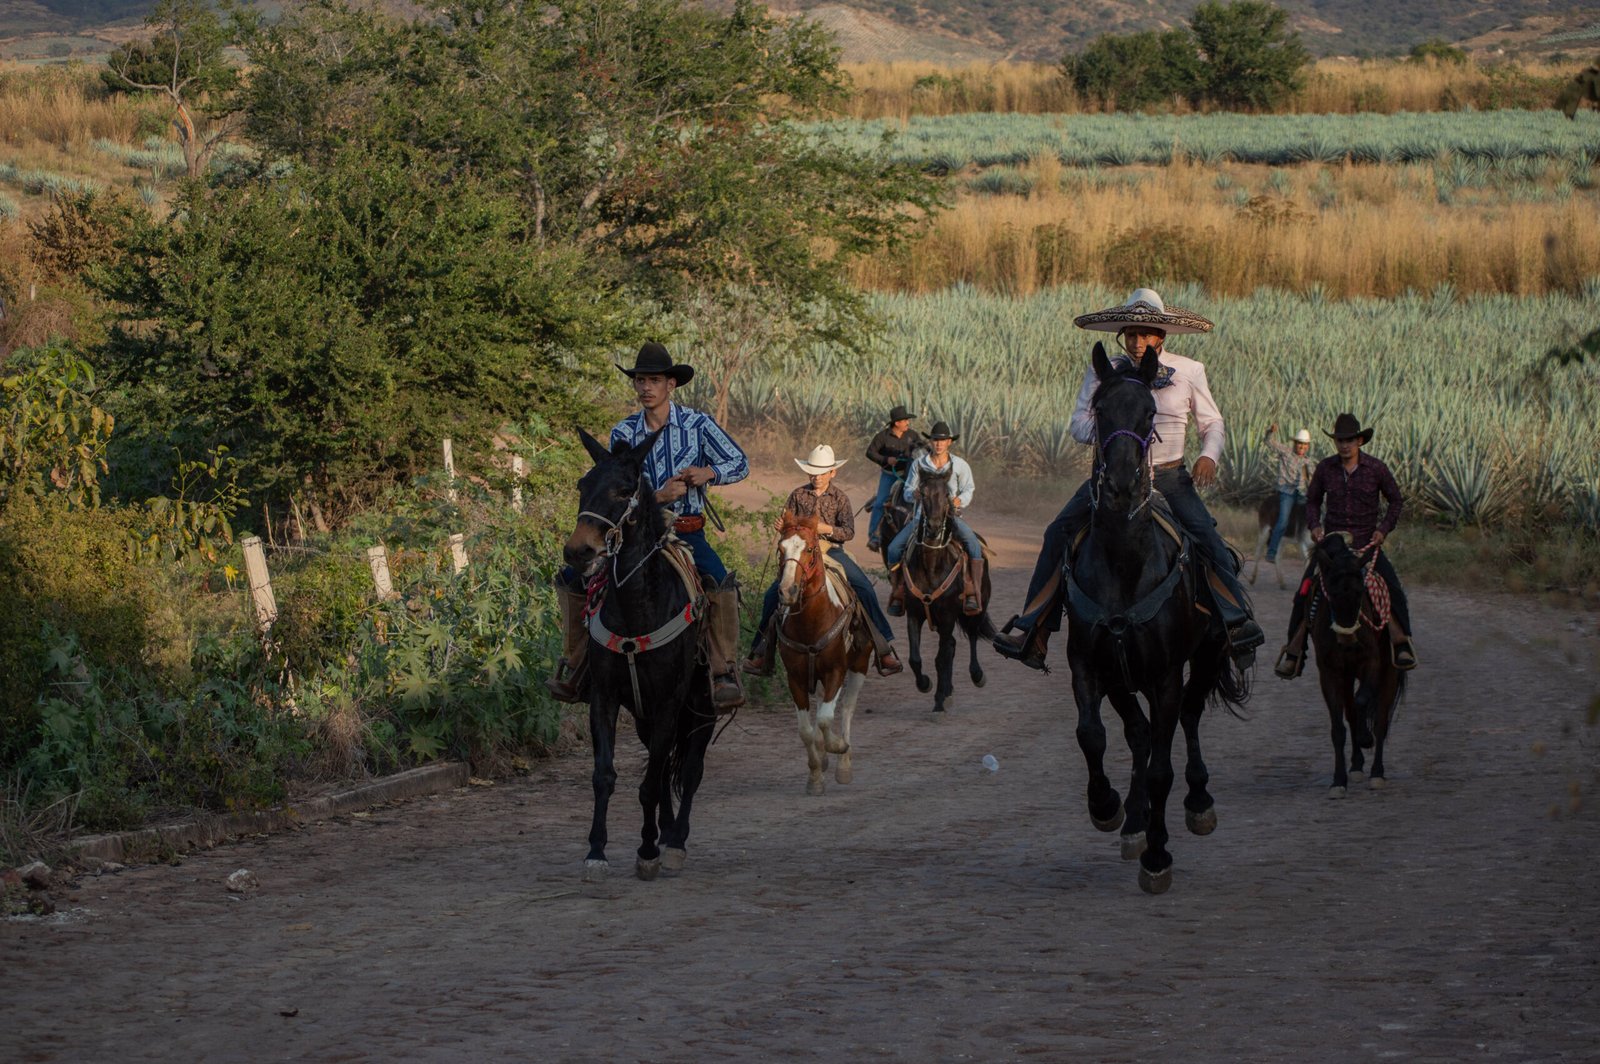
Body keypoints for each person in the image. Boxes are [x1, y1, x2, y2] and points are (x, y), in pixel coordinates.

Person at [992, 287, 1266, 670]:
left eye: (1145, 334)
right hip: (1111, 477)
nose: (1138, 342)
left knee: (1207, 537)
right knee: (1057, 532)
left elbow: (1212, 422)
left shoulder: (1189, 371)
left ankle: (1236, 623)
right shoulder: (1105, 371)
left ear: (1161, 336)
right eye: (1131, 334)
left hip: (1170, 476)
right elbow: (1078, 424)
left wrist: (1209, 455)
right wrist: (1116, 434)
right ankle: (1034, 628)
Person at [545, 341, 750, 711]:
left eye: (653, 380)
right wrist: (657, 497)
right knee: (574, 578)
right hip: (633, 535)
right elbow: (613, 491)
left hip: (686, 531)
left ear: (671, 384)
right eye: (639, 380)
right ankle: (575, 665)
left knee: (718, 580)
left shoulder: (698, 424)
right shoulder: (622, 432)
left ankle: (723, 670)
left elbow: (740, 462)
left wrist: (708, 472)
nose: (645, 388)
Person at [1274, 413, 1416, 678]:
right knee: (1304, 592)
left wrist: (1382, 530)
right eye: (1340, 440)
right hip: (1333, 547)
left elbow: (1396, 500)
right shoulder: (1326, 468)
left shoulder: (1376, 469)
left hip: (1366, 545)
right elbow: (1313, 500)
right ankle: (1295, 651)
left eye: (1349, 439)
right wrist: (1315, 525)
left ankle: (1401, 642)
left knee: (1393, 589)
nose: (1344, 445)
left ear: (1359, 440)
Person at [742, 445, 903, 677]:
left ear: (832, 473)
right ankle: (760, 652)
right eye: (812, 471)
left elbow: (848, 532)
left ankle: (884, 647)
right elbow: (788, 528)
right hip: (801, 552)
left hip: (831, 550)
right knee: (772, 595)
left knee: (864, 588)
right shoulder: (798, 494)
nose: (816, 476)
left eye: (821, 471)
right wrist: (784, 528)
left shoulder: (840, 498)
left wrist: (824, 528)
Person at [885, 421, 985, 616]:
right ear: (930, 442)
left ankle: (972, 589)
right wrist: (912, 494)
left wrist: (959, 501)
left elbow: (968, 489)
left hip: (951, 516)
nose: (938, 444)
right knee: (893, 548)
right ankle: (898, 591)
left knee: (973, 544)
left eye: (942, 440)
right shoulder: (919, 464)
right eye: (935, 440)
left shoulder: (960, 465)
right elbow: (907, 490)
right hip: (921, 516)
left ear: (949, 442)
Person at [864, 405, 924, 552]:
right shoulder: (882, 437)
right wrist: (886, 459)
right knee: (880, 503)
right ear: (897, 423)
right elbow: (870, 453)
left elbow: (921, 448)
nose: (908, 423)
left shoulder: (913, 435)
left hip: (910, 476)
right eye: (905, 421)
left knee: (922, 500)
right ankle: (874, 537)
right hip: (890, 475)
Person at [1264, 424, 1317, 564]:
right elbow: (1269, 442)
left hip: (1301, 494)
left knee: (1312, 514)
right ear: (1295, 443)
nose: (1302, 447)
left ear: (1308, 446)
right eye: (1300, 444)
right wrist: (1270, 432)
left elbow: (1311, 480)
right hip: (1286, 492)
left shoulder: (1308, 463)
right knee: (1283, 520)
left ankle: (1309, 544)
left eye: (1305, 445)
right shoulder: (1286, 452)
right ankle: (1272, 551)